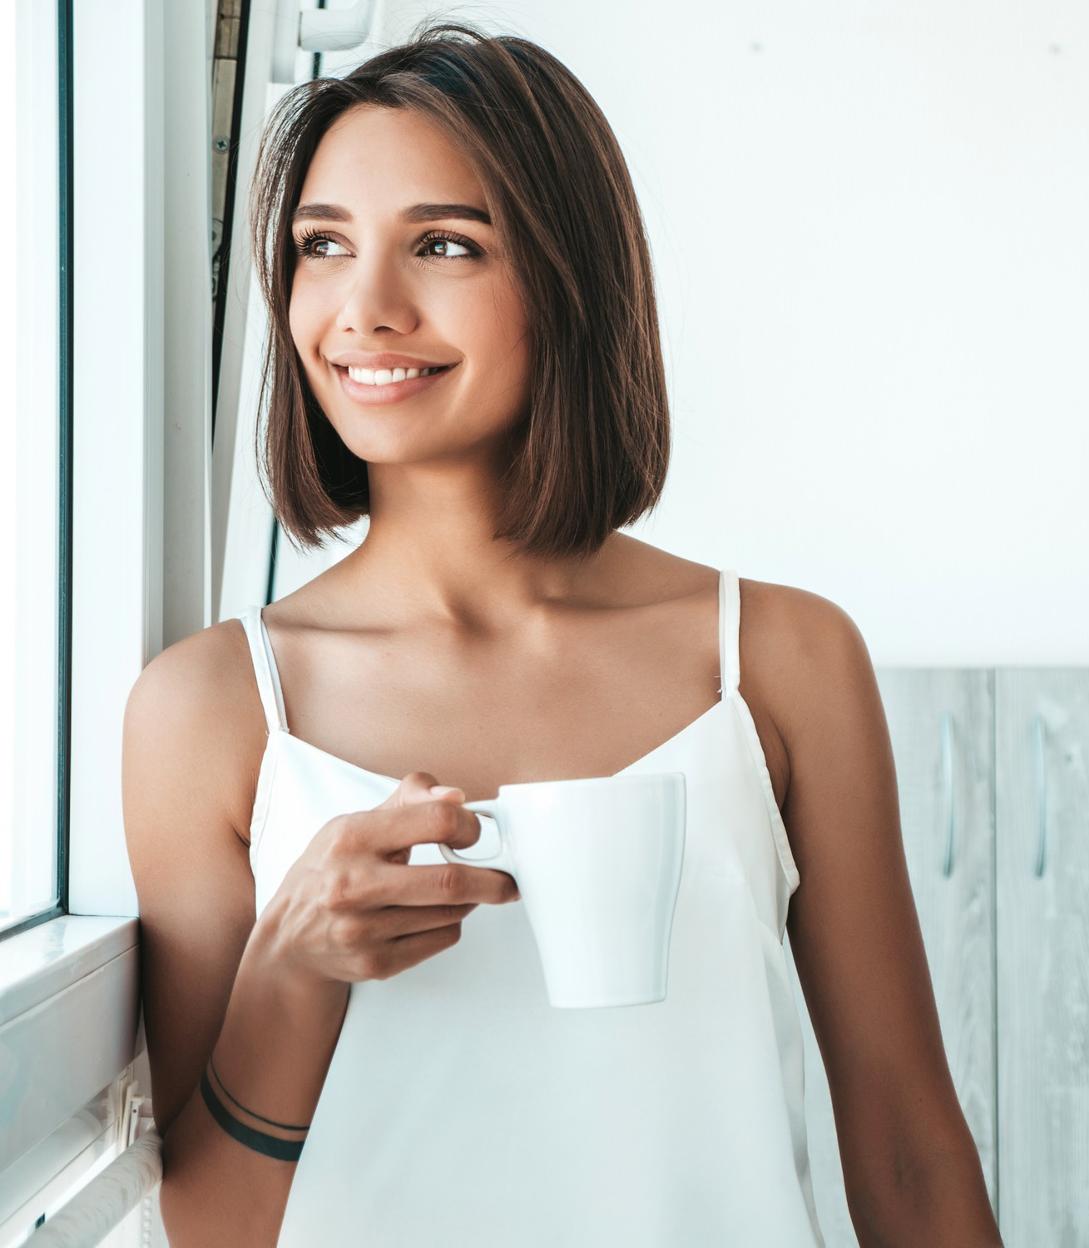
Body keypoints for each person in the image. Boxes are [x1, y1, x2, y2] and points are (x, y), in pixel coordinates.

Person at [122, 18, 1002, 1247]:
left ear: (565, 275)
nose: (363, 309)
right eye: (323, 246)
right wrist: (293, 968)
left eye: (442, 244)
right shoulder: (211, 708)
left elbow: (908, 1150)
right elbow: (211, 1224)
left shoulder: (780, 662)